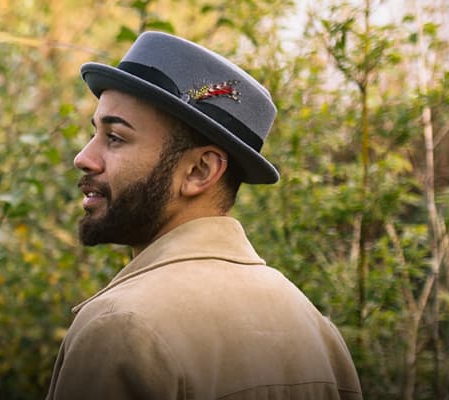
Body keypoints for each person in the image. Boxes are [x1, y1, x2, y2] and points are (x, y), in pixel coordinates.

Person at [45, 31, 362, 400]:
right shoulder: (316, 332)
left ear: (199, 171)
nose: (84, 158)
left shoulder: (122, 328)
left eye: (115, 137)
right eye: (95, 133)